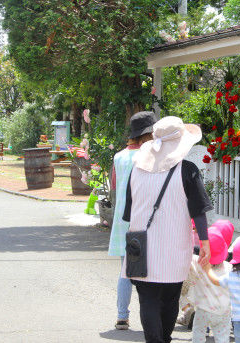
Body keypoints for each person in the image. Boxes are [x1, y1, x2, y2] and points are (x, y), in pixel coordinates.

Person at [122, 116, 213, 343]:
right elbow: (199, 212)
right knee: (170, 298)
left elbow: (128, 213)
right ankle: (162, 338)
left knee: (147, 298)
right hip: (173, 248)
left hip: (139, 246)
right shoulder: (187, 170)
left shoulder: (137, 169)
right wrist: (205, 243)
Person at [107, 111, 156, 330]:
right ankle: (153, 317)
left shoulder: (119, 156)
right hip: (143, 219)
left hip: (121, 220)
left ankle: (121, 315)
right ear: (146, 135)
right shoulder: (149, 156)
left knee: (125, 271)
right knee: (151, 272)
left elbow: (115, 187)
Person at [185, 227, 232, 343]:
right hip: (224, 311)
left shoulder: (197, 263)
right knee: (222, 337)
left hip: (203, 310)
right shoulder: (230, 268)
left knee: (198, 334)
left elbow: (186, 257)